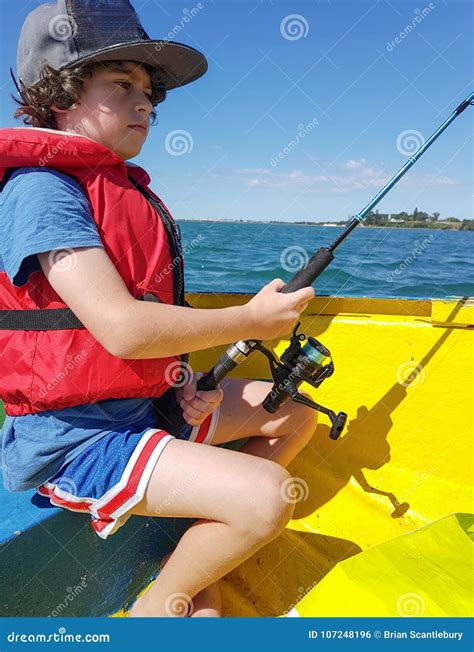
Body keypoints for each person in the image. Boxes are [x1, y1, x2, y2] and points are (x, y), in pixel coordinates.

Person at [0, 0, 317, 618]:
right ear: (59, 94)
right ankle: (160, 610)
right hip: (77, 441)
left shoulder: (116, 188)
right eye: (123, 85)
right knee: (269, 497)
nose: (146, 104)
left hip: (144, 409)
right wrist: (250, 322)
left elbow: (144, 340)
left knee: (293, 416)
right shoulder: (42, 190)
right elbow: (121, 330)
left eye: (150, 92)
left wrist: (181, 383)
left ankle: (200, 537)